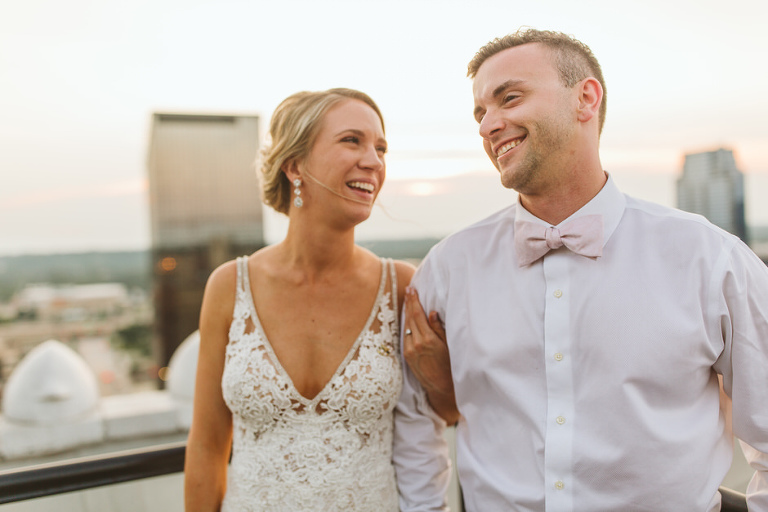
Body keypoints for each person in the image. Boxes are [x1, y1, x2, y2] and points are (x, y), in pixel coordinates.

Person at [394, 28, 768, 511]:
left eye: (509, 98)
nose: (488, 126)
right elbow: (414, 418)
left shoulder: (711, 260)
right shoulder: (447, 269)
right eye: (480, 113)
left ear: (586, 99)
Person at [184, 88, 415, 511]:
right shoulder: (228, 286)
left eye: (380, 148)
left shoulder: (401, 286)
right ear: (295, 165)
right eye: (352, 140)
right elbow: (206, 445)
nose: (374, 161)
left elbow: (448, 415)